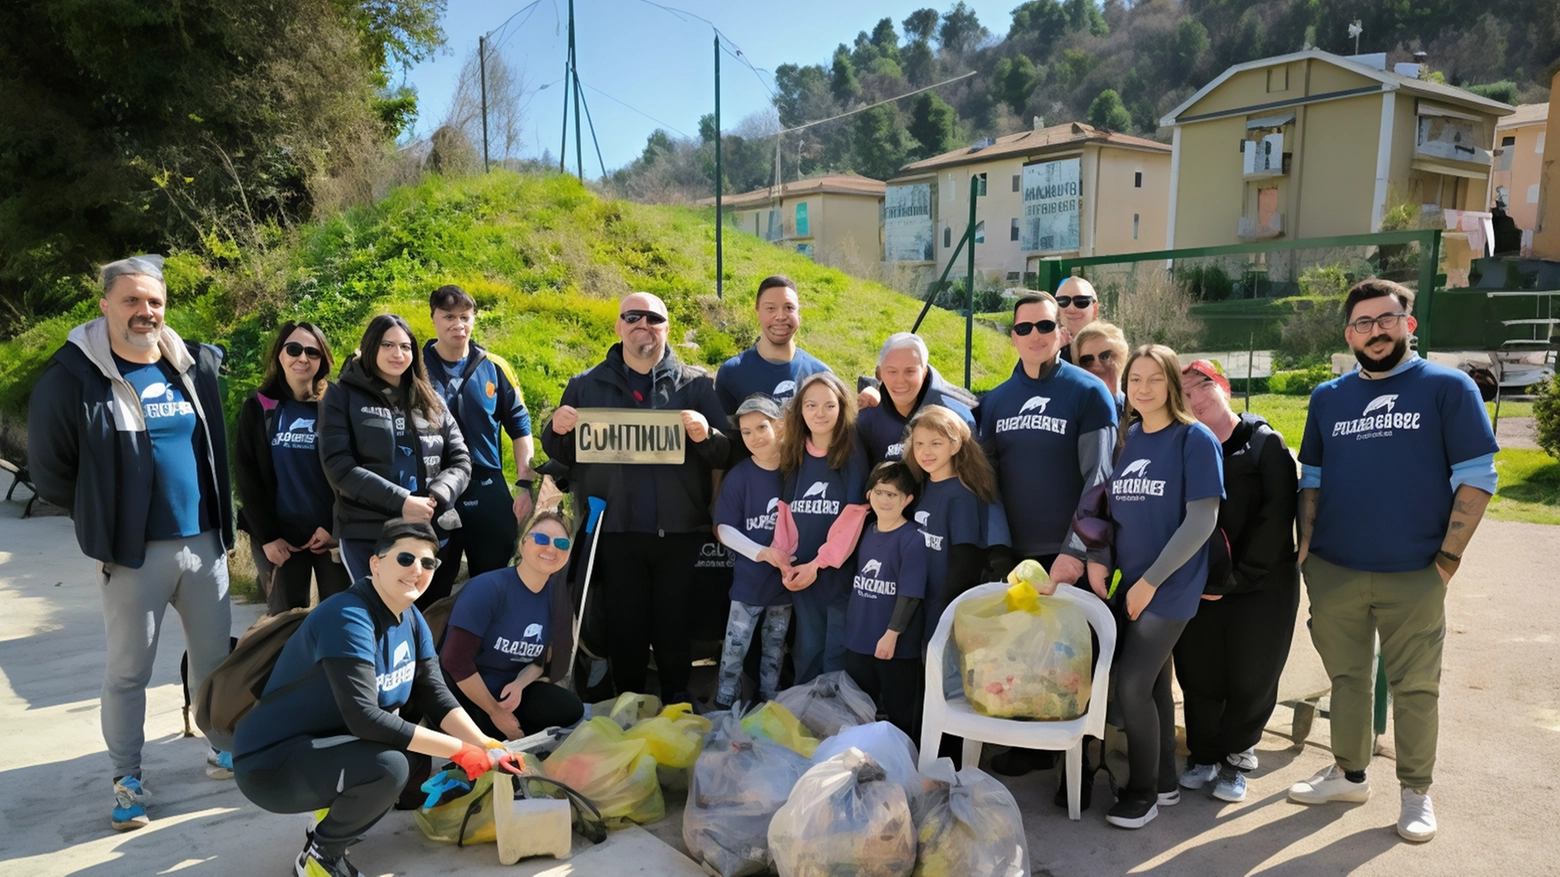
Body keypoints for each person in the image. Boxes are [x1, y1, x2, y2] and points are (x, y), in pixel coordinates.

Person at [28, 254, 236, 830]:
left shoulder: (190, 364)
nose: (145, 312)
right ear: (105, 305)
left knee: (214, 662)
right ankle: (127, 778)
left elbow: (212, 447)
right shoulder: (74, 376)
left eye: (154, 302)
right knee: (128, 672)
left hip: (203, 545)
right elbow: (51, 470)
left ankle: (222, 746)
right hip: (133, 553)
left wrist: (225, 528)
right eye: (131, 301)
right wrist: (102, 520)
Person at [1289, 279, 1498, 843]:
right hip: (1335, 568)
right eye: (1362, 323)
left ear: (1409, 323)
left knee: (1414, 688)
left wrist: (1448, 560)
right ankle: (1350, 774)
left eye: (1386, 319)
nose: (1375, 331)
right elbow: (1313, 478)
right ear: (1348, 334)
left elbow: (1478, 479)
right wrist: (1307, 549)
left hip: (1416, 572)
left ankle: (1415, 793)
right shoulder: (1328, 397)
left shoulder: (1448, 388)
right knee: (1348, 678)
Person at [233, 519, 519, 877]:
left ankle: (328, 821)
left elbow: (434, 693)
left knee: (410, 758)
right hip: (270, 763)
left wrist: (483, 742)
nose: (417, 570)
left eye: (428, 563)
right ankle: (320, 859)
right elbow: (364, 717)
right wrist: (460, 752)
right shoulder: (348, 617)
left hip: (320, 747)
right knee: (390, 767)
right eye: (405, 559)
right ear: (375, 563)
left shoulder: (410, 616)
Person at [541, 292, 731, 703]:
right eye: (632, 316)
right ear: (618, 326)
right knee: (624, 622)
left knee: (674, 622)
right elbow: (560, 453)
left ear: (667, 327)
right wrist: (556, 429)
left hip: (679, 530)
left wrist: (707, 435)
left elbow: (726, 452)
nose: (642, 323)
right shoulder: (585, 384)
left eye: (653, 318)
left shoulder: (696, 384)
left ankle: (677, 700)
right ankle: (627, 701)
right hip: (616, 528)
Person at [977, 294, 1118, 780]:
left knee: (1068, 664)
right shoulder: (995, 400)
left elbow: (1098, 478)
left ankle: (1076, 762)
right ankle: (1030, 745)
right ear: (1013, 336)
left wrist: (1076, 551)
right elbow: (986, 480)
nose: (1034, 335)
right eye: (1023, 328)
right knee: (1022, 658)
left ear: (1063, 333)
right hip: (1017, 556)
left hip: (1065, 555)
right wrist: (998, 548)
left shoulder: (1088, 392)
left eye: (1044, 326)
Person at [1090, 345, 1224, 830]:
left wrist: (1148, 582)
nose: (1143, 389)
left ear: (1172, 383)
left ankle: (1141, 792)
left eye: (1154, 379)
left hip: (1170, 586)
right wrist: (1104, 562)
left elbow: (1201, 521)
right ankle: (1165, 782)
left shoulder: (1194, 439)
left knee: (1131, 683)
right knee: (1155, 687)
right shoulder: (1130, 440)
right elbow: (1113, 514)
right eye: (1135, 380)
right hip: (1135, 583)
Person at [1173, 360, 1299, 804]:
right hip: (1200, 583)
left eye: (1203, 385)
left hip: (1260, 587)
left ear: (1224, 387)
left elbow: (1277, 516)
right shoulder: (1183, 446)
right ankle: (1203, 752)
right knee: (1199, 672)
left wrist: (1238, 578)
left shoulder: (1264, 443)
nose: (1196, 397)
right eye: (1184, 391)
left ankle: (1236, 755)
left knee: (1251, 676)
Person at [319, 314, 471, 582]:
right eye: (387, 345)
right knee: (380, 617)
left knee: (428, 620)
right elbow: (339, 468)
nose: (397, 353)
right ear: (370, 347)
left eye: (405, 346)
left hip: (433, 531)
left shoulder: (430, 397)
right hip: (369, 534)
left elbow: (461, 460)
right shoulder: (341, 395)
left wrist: (439, 495)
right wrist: (401, 501)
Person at [421, 285, 536, 608]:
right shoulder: (414, 367)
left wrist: (525, 484)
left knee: (495, 581)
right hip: (434, 488)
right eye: (448, 317)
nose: (458, 324)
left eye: (465, 317)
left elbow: (520, 426)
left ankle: (489, 655)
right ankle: (428, 653)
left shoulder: (494, 366)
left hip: (486, 485)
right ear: (433, 319)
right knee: (431, 583)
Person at [235, 321, 352, 614]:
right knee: (284, 624)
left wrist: (333, 527)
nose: (303, 358)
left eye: (312, 352)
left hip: (327, 536)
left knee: (338, 616)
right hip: (280, 540)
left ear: (322, 360)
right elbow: (246, 475)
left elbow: (349, 469)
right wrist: (267, 537)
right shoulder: (259, 405)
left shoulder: (335, 406)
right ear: (280, 355)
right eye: (294, 349)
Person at [440, 510, 584, 742]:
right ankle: (480, 727)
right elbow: (454, 661)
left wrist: (519, 684)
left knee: (569, 709)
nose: (551, 548)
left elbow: (540, 660)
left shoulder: (557, 598)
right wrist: (495, 712)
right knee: (484, 729)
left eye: (561, 543)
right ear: (522, 545)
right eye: (541, 539)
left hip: (508, 690)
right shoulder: (488, 588)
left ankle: (497, 729)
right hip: (464, 686)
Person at [771, 372, 871, 684]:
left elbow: (855, 514)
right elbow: (785, 511)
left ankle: (835, 717)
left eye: (829, 406)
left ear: (842, 408)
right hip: (802, 574)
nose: (820, 413)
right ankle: (805, 717)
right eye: (811, 405)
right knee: (808, 646)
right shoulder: (795, 451)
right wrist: (785, 559)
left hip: (836, 573)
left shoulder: (851, 451)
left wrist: (820, 563)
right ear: (800, 409)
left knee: (836, 650)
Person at [712, 395, 793, 709]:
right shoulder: (740, 477)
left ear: (779, 426)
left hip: (784, 588)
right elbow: (723, 529)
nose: (755, 437)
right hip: (748, 586)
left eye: (761, 427)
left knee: (775, 651)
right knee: (734, 650)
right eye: (746, 432)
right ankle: (723, 704)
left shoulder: (794, 471)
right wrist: (762, 552)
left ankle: (768, 706)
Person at [843, 462, 927, 738]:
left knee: (901, 713)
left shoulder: (912, 538)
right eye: (879, 492)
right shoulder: (866, 531)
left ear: (908, 500)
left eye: (893, 494)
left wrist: (892, 634)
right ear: (869, 494)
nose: (885, 499)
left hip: (895, 646)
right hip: (860, 639)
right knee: (858, 711)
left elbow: (911, 594)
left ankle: (907, 769)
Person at [903, 405, 1006, 628]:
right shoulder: (920, 485)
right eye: (919, 444)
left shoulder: (962, 495)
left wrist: (942, 606)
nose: (925, 452)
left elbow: (965, 563)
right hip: (918, 599)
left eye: (936, 443)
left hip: (943, 607)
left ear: (955, 445)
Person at [714, 275, 832, 416]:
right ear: (757, 311)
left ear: (799, 316)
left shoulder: (820, 374)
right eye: (771, 308)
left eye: (789, 308)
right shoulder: (731, 373)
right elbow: (725, 434)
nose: (780, 316)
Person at [856, 332, 977, 465]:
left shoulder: (957, 416)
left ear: (924, 373)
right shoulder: (867, 419)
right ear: (879, 374)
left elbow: (973, 477)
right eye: (892, 371)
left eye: (910, 371)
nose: (900, 381)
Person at [1071, 320, 1128, 418]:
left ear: (1121, 358)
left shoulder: (1138, 410)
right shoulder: (1072, 413)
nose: (1097, 365)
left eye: (1106, 356)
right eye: (1088, 359)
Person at [1054, 276, 1101, 364]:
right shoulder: (1047, 351)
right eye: (1063, 302)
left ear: (1094, 309)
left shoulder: (1108, 346)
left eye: (1081, 302)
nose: (1071, 309)